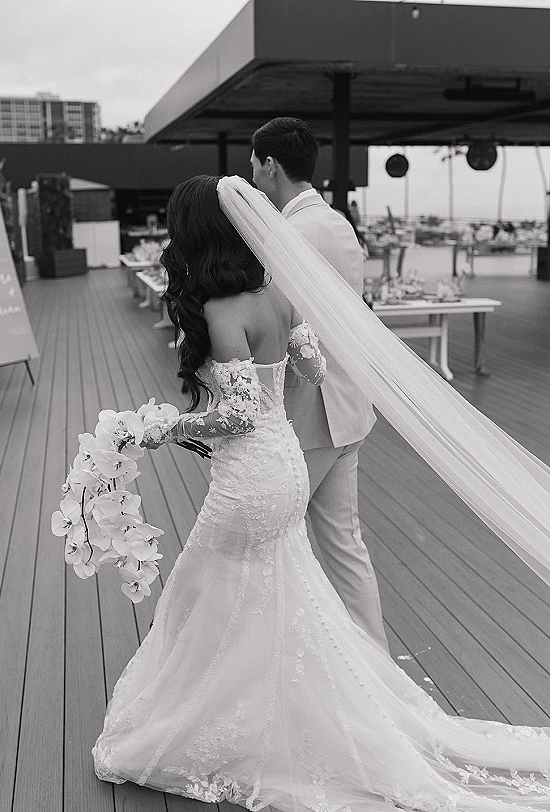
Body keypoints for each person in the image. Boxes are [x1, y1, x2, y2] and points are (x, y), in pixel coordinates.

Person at [92, 175, 550, 812]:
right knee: (269, 594)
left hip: (251, 475)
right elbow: (311, 368)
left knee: (209, 590)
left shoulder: (223, 309)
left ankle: (224, 722)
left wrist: (160, 428)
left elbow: (238, 416)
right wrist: (279, 363)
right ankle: (266, 712)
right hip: (286, 465)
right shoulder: (277, 293)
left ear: (191, 235)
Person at [250, 117, 387, 650]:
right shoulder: (339, 226)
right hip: (350, 406)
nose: (251, 172)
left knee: (270, 541)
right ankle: (375, 663)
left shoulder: (285, 236)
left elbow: (277, 325)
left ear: (270, 166)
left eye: (254, 161)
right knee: (343, 544)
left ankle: (286, 661)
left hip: (305, 412)